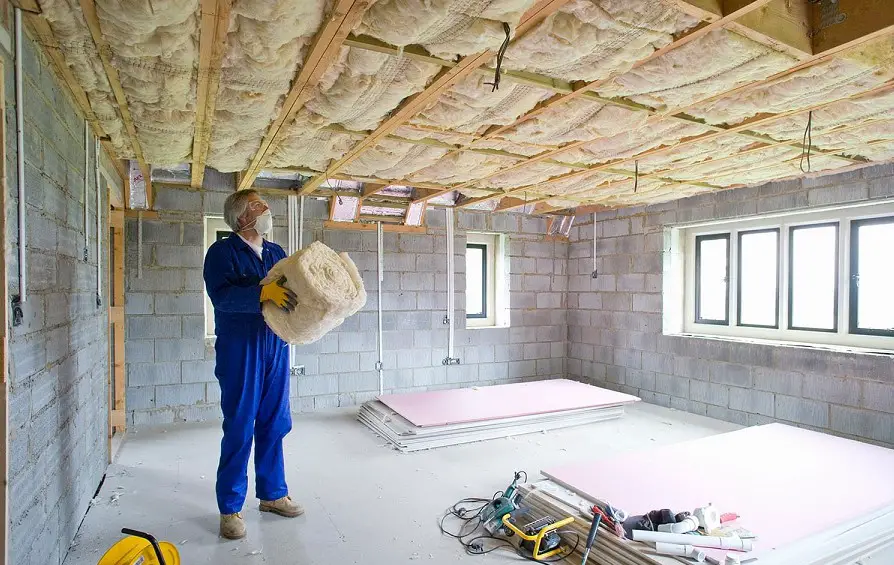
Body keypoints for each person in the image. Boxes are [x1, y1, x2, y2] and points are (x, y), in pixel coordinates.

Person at [203, 189, 301, 540]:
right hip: (240, 348)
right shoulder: (221, 253)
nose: (267, 210)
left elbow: (295, 292)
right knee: (240, 424)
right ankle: (230, 508)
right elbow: (222, 296)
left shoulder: (276, 252)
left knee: (276, 421)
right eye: (260, 206)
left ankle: (273, 495)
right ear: (242, 216)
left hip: (274, 343)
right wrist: (261, 293)